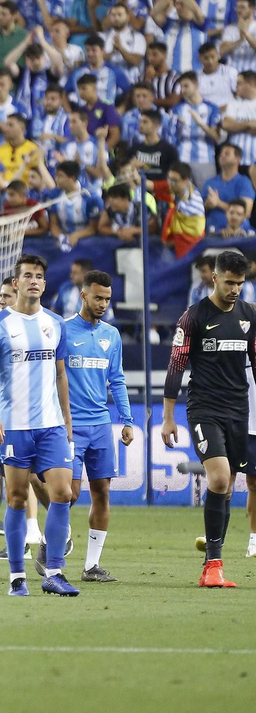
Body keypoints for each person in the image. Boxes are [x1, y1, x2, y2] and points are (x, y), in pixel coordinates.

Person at [0, 253, 80, 597]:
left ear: (44, 283)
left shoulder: (55, 323)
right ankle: (16, 577)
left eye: (39, 276)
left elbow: (61, 374)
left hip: (50, 424)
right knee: (18, 498)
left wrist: (67, 419)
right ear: (15, 282)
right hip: (14, 426)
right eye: (27, 275)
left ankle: (53, 571)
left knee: (63, 492)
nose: (34, 280)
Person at [162, 249, 255, 589]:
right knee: (218, 479)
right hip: (204, 409)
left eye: (240, 284)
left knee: (228, 486)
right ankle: (211, 567)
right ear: (214, 278)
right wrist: (168, 417)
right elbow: (175, 367)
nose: (235, 290)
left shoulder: (250, 316)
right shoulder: (193, 317)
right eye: (229, 283)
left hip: (238, 411)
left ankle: (215, 561)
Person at [61, 270, 131, 583]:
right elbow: (54, 379)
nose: (102, 303)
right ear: (83, 295)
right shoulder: (63, 331)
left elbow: (116, 379)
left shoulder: (112, 335)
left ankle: (91, 566)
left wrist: (126, 419)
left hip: (101, 423)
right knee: (69, 493)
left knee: (102, 491)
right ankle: (55, 538)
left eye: (107, 298)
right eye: (98, 297)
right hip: (71, 425)